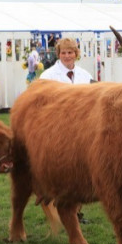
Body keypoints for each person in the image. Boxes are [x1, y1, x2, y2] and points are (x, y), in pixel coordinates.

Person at [39, 37, 94, 224]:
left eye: (70, 52)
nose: (67, 56)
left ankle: (76, 211)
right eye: (63, 53)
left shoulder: (85, 76)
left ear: (76, 54)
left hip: (82, 130)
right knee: (63, 170)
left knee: (82, 169)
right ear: (58, 54)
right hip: (57, 130)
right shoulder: (47, 76)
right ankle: (60, 206)